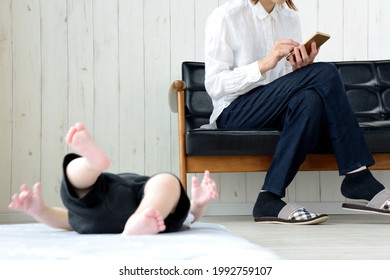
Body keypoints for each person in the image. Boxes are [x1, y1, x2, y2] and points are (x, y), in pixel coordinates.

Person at [204, 0, 390, 224]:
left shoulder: (289, 18)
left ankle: (269, 198)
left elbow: (283, 86)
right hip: (234, 112)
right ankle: (358, 176)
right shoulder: (226, 16)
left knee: (310, 100)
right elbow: (214, 85)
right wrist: (263, 64)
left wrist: (298, 68)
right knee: (326, 72)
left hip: (273, 109)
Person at [9, 123, 218, 235]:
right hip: (133, 202)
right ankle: (92, 166)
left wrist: (41, 211)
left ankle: (91, 165)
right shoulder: (164, 207)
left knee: (75, 188)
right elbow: (191, 216)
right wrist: (197, 205)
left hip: (103, 206)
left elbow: (65, 219)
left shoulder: (85, 219)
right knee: (167, 182)